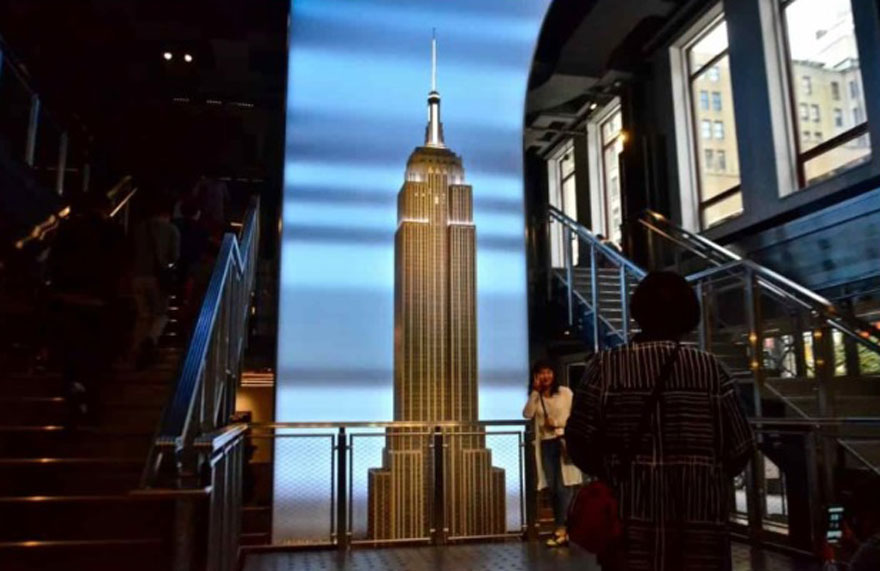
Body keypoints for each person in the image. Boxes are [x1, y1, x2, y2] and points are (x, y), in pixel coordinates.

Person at [566, 271, 754, 570]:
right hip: (700, 533)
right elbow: (740, 448)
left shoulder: (606, 368)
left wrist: (615, 472)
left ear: (638, 311)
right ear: (689, 315)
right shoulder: (711, 370)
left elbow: (579, 441)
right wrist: (703, 476)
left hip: (630, 532)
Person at [47, 192, 128, 424]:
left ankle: (74, 390)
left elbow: (54, 261)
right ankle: (90, 401)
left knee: (71, 352)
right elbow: (120, 264)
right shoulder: (112, 231)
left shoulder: (68, 229)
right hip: (99, 301)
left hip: (68, 299)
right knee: (94, 355)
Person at [523, 360, 583, 547]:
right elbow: (527, 414)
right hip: (546, 445)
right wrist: (534, 392)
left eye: (548, 372)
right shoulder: (536, 395)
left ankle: (562, 529)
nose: (545, 376)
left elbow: (576, 416)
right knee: (553, 488)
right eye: (541, 373)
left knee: (564, 486)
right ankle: (562, 528)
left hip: (562, 442)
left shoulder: (565, 392)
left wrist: (557, 423)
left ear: (554, 374)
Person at [131, 196, 180, 369]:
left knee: (143, 316)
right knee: (160, 314)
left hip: (137, 276)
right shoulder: (171, 230)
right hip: (158, 278)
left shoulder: (139, 229)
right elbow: (174, 256)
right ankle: (151, 339)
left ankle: (136, 350)